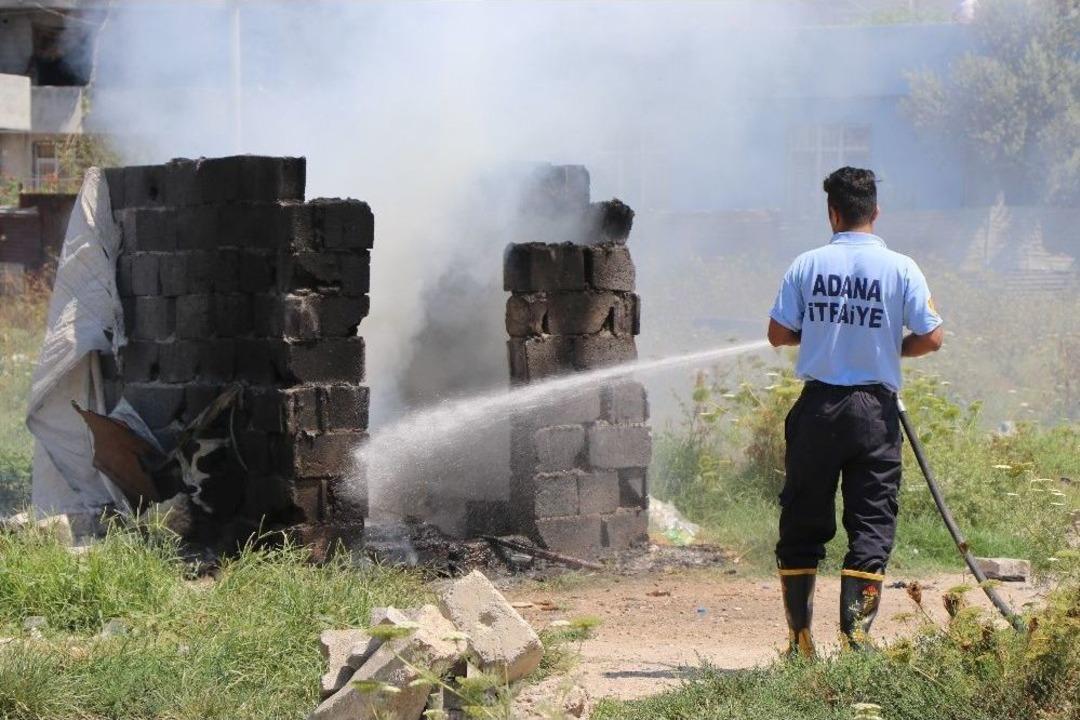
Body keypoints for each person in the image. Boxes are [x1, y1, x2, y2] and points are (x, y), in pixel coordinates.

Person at [766, 167, 944, 656]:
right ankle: (857, 640)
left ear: (833, 212)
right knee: (871, 523)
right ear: (875, 212)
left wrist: (820, 335)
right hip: (874, 415)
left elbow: (778, 334)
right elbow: (932, 336)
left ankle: (799, 641)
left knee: (802, 521)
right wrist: (889, 348)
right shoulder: (902, 268)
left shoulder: (807, 264)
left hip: (818, 408)